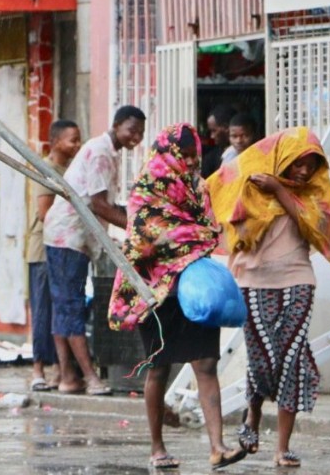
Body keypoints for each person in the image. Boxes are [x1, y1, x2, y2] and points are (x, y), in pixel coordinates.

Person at [212, 127, 330, 468]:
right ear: (283, 158)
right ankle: (253, 414)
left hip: (298, 282)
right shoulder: (250, 182)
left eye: (311, 164)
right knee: (263, 359)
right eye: (298, 163)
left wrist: (280, 189)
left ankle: (283, 447)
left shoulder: (313, 195)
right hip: (252, 281)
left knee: (291, 357)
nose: (304, 171)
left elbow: (317, 229)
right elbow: (219, 204)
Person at [108, 123, 246, 471]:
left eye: (191, 156)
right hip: (155, 294)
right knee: (158, 369)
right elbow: (142, 237)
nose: (187, 162)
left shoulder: (197, 186)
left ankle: (218, 446)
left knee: (205, 363)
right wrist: (187, 239)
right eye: (181, 156)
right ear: (166, 154)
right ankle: (157, 447)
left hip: (194, 290)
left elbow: (209, 229)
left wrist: (193, 242)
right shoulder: (146, 187)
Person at [44, 104, 146, 395]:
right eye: (131, 130)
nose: (135, 138)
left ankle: (65, 376)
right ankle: (89, 378)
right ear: (116, 126)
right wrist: (136, 229)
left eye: (139, 133)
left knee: (64, 307)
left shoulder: (106, 151)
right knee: (71, 307)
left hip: (72, 237)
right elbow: (100, 204)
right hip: (69, 237)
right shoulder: (101, 151)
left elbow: (105, 205)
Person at [26, 119, 82, 392]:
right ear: (56, 142)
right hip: (43, 249)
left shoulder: (70, 169)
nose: (77, 145)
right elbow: (44, 212)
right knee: (42, 310)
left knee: (61, 310)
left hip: (63, 246)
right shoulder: (47, 170)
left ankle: (61, 370)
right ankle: (38, 368)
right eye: (73, 140)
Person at [201, 105, 235, 178]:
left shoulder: (249, 153)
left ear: (226, 127)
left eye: (214, 131)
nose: (211, 136)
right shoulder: (210, 160)